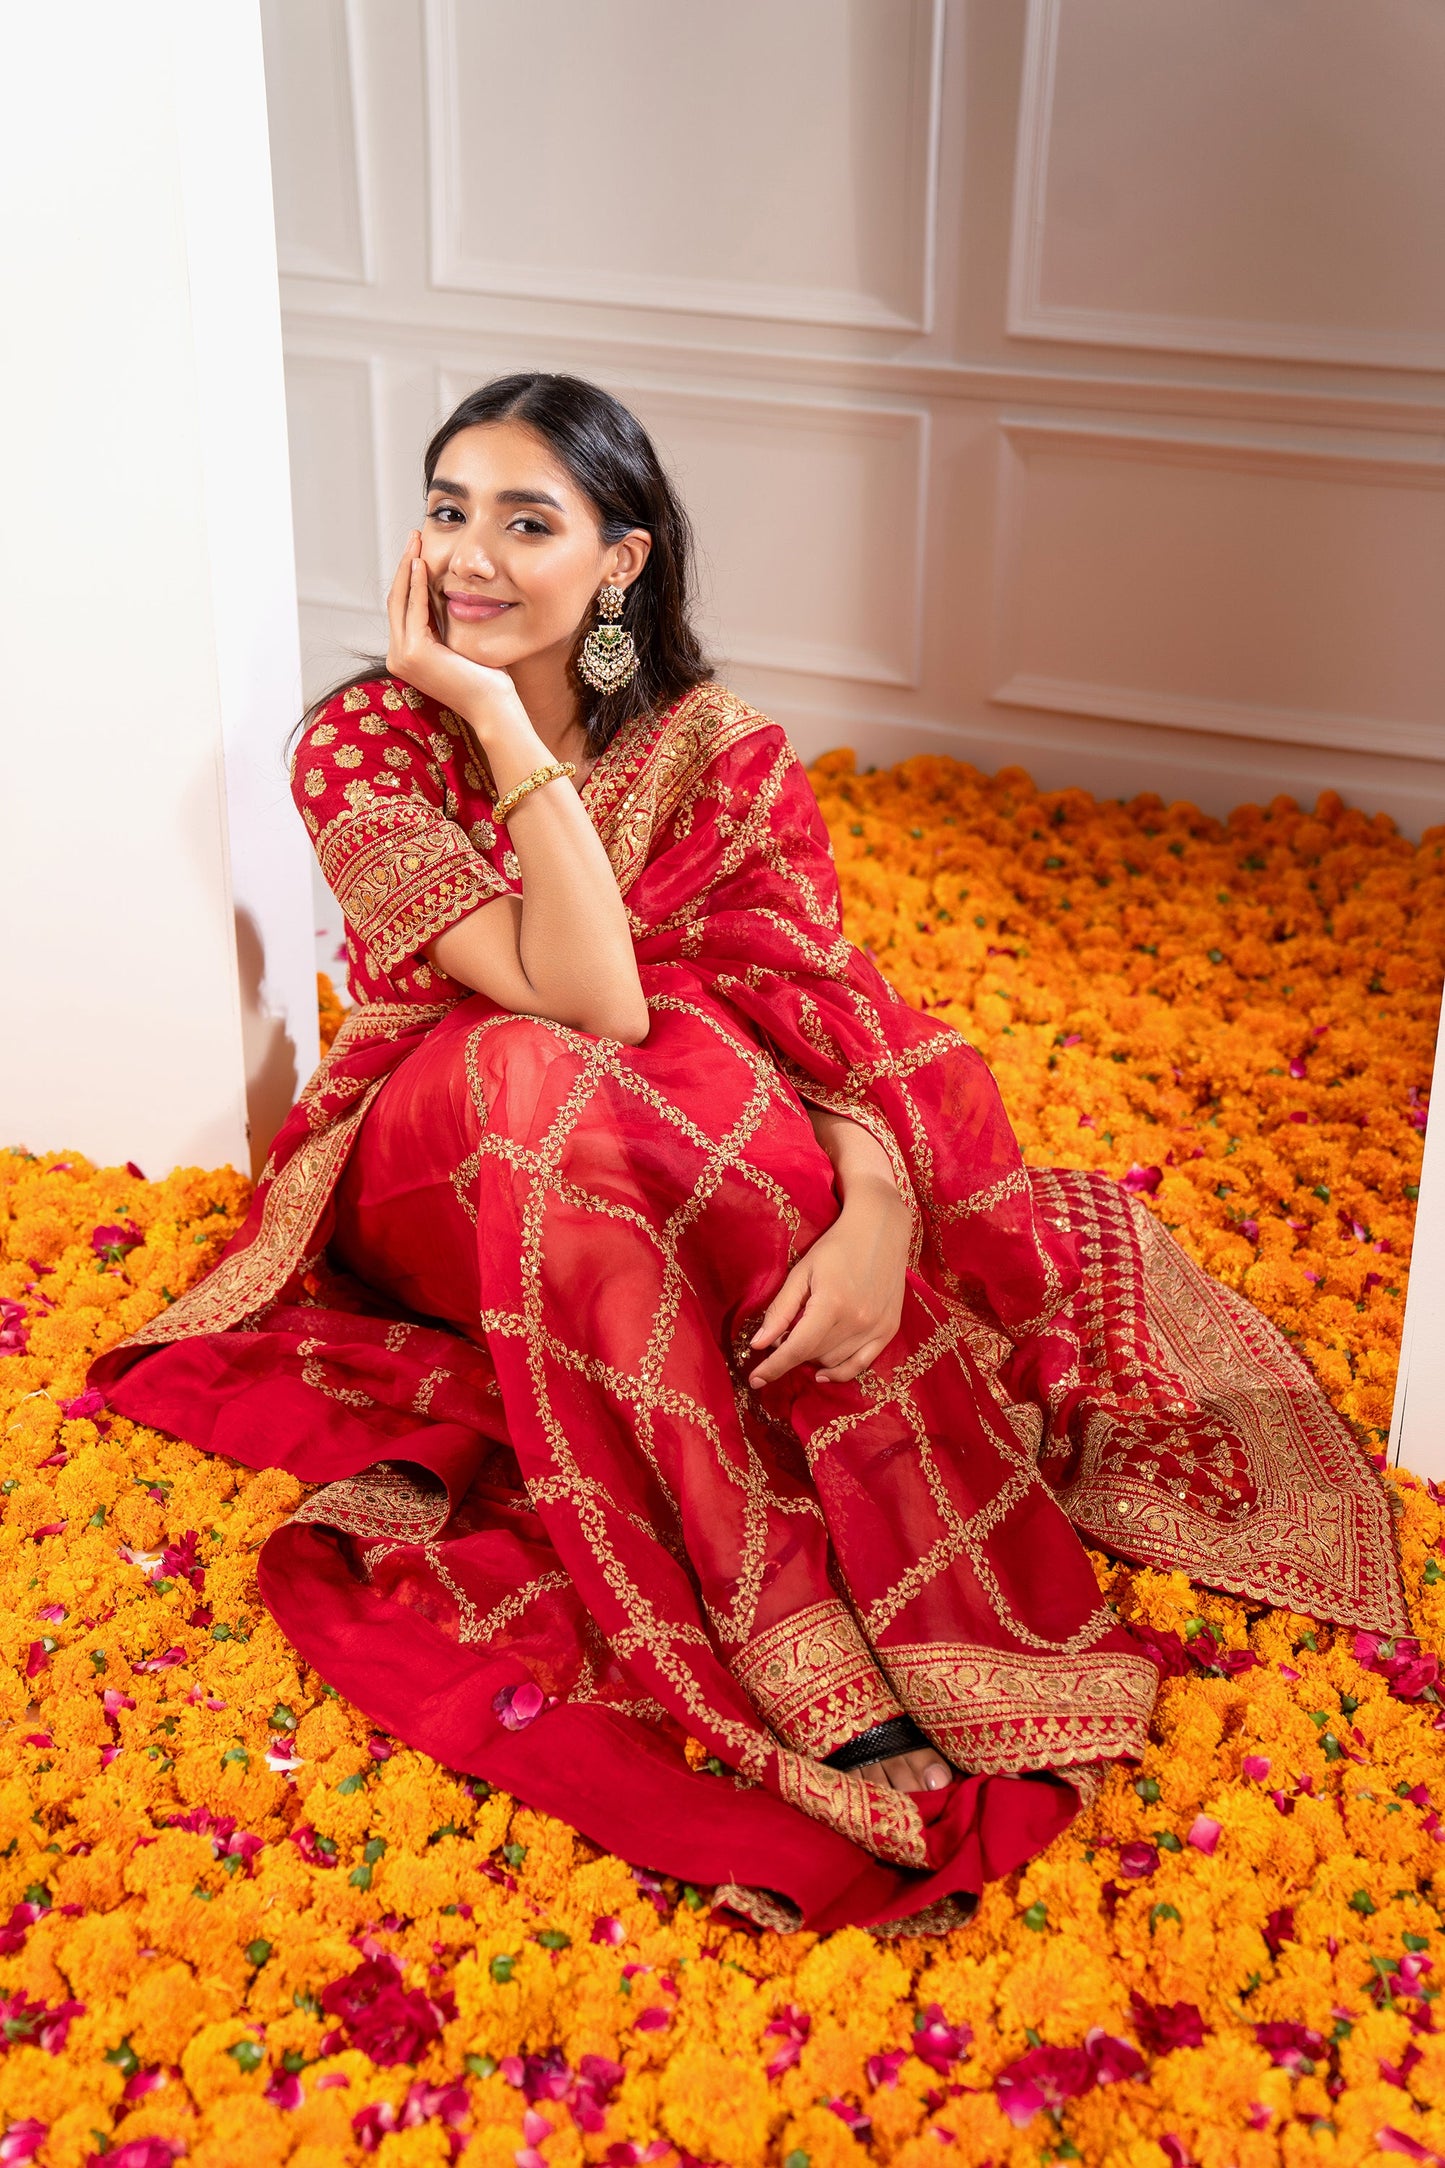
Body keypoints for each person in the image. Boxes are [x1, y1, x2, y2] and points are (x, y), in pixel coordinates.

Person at [93, 374, 1406, 1936]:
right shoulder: (370, 740)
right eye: (448, 510)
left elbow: (817, 1018)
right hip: (430, 1158)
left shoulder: (719, 754)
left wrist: (874, 1213)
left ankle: (873, 1552)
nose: (468, 555)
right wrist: (498, 719)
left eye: (527, 522)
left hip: (658, 1149)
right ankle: (790, 1638)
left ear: (621, 562)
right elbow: (582, 991)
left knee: (709, 1074)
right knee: (550, 1065)